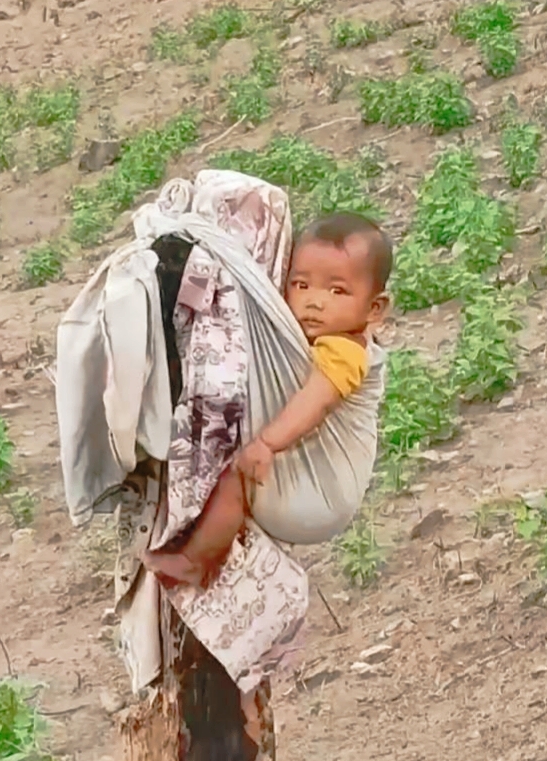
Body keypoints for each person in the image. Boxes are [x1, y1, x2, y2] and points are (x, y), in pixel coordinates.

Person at [144, 211, 392, 588]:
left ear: (375, 309)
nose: (315, 302)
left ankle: (195, 561)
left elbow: (318, 400)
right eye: (301, 285)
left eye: (337, 291)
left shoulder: (348, 352)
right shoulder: (305, 342)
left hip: (321, 495)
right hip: (306, 489)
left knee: (236, 478)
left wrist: (267, 444)